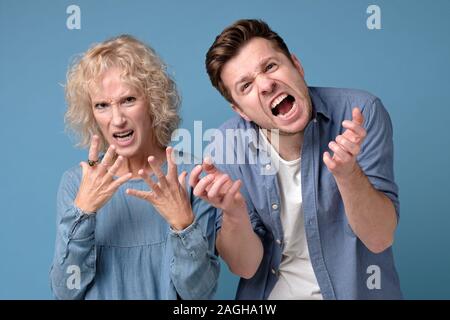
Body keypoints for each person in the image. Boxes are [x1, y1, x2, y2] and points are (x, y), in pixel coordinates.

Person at [189, 19, 402, 299]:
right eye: (246, 86)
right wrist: (233, 213)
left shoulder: (360, 113)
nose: (265, 84)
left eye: (270, 66)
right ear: (240, 110)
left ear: (296, 65)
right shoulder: (226, 145)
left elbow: (379, 238)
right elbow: (245, 267)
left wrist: (349, 175)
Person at [50, 35, 219, 299]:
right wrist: (83, 211)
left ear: (153, 102)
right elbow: (65, 292)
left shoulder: (191, 174)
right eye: (102, 105)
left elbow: (199, 295)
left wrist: (183, 224)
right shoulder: (76, 182)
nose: (117, 119)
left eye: (128, 100)